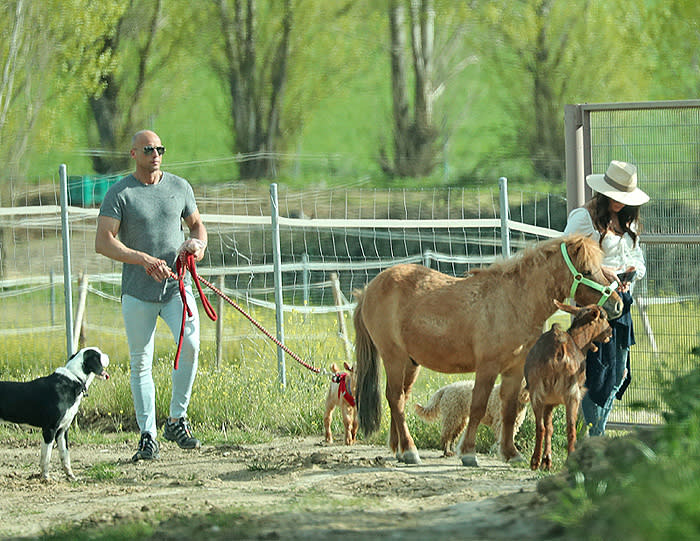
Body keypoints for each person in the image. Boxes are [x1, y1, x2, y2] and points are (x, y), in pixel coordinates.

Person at [95, 130, 207, 461]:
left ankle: (177, 419)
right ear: (134, 153)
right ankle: (148, 435)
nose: (156, 153)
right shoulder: (120, 193)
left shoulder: (179, 187)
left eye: (160, 148)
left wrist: (195, 246)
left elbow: (197, 225)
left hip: (177, 286)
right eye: (149, 149)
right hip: (138, 292)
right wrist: (142, 259)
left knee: (190, 343)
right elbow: (103, 241)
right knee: (140, 361)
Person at [563, 160, 649, 436]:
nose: (620, 203)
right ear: (604, 192)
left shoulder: (629, 221)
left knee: (619, 374)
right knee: (594, 374)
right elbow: (566, 257)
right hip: (594, 308)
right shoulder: (583, 217)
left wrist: (632, 273)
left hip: (621, 305)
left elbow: (639, 260)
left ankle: (595, 433)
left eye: (625, 198)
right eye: (616, 196)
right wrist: (603, 270)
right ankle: (594, 436)